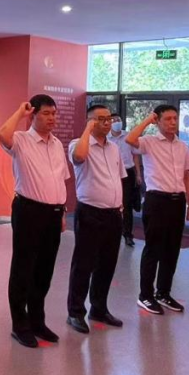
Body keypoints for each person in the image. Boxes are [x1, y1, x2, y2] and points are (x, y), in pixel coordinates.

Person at [0, 94, 70, 348]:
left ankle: (37, 320)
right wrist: (21, 111)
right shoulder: (21, 140)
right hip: (29, 211)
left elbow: (60, 180)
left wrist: (62, 212)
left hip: (53, 213)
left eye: (54, 113)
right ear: (33, 115)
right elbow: (2, 135)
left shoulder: (57, 144)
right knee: (23, 268)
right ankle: (20, 324)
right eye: (46, 113)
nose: (52, 118)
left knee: (44, 270)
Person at [126, 105, 189, 316]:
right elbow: (130, 139)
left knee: (172, 250)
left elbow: (186, 177)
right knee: (153, 249)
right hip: (157, 201)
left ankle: (163, 293)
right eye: (168, 119)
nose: (173, 122)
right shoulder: (149, 142)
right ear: (158, 121)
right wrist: (148, 120)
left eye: (175, 118)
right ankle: (145, 295)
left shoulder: (182, 146)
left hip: (177, 201)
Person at [66, 104, 126, 333]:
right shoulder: (78, 144)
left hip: (113, 213)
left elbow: (118, 178)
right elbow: (79, 157)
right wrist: (87, 131)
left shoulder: (114, 148)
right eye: (100, 119)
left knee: (107, 264)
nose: (107, 122)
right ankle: (75, 312)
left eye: (109, 118)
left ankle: (99, 308)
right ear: (90, 121)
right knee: (84, 264)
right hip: (90, 213)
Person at [109, 115, 142, 247]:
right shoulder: (106, 138)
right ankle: (112, 232)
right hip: (111, 174)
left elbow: (135, 156)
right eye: (114, 121)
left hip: (128, 173)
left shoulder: (128, 136)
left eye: (119, 120)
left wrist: (138, 174)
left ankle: (128, 234)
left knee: (127, 204)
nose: (117, 122)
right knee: (112, 203)